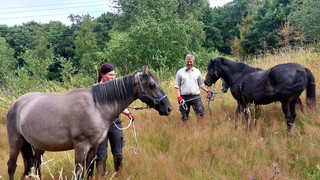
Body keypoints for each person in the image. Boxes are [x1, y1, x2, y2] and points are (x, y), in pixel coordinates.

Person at [95, 64, 135, 176]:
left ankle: (119, 174)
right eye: (110, 75)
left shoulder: (116, 88)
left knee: (118, 153)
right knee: (101, 155)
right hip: (100, 126)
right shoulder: (95, 89)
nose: (113, 77)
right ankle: (100, 176)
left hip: (115, 124)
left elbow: (120, 105)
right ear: (102, 75)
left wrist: (128, 113)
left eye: (114, 75)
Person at [175, 54, 212, 123]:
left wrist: (208, 91)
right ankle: (184, 130)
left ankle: (201, 129)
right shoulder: (180, 72)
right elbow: (177, 86)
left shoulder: (197, 72)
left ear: (193, 62)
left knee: (201, 114)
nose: (189, 63)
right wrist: (179, 98)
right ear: (185, 61)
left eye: (190, 62)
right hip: (184, 98)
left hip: (195, 97)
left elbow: (201, 84)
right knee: (184, 116)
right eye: (188, 61)